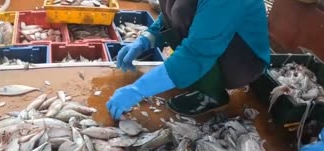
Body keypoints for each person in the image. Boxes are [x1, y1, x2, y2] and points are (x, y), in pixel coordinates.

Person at [106, 0, 271, 119]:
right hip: (211, 39)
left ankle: (212, 96)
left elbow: (196, 53)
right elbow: (170, 12)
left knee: (193, 55)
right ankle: (191, 76)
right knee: (182, 8)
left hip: (242, 61)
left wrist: (139, 89)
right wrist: (146, 39)